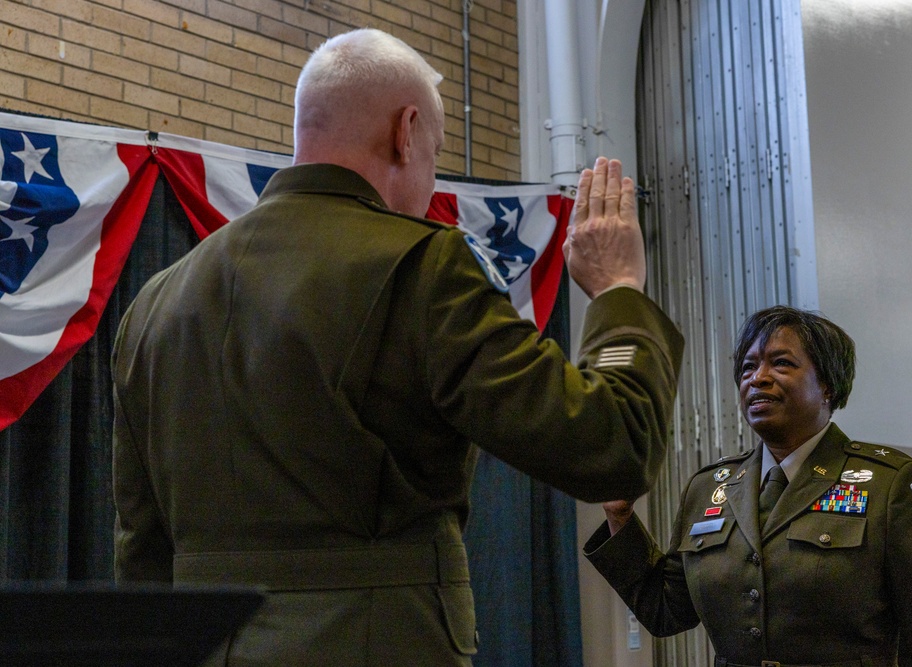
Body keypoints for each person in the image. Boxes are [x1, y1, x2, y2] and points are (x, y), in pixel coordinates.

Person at [111, 28, 685, 667]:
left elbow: (142, 552)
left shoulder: (153, 306)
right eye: (435, 153)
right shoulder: (421, 264)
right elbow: (612, 447)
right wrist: (617, 292)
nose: (430, 178)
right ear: (406, 130)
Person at [585, 305, 912, 666]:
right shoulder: (707, 488)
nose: (758, 377)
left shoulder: (890, 484)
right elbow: (666, 611)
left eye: (781, 363)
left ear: (828, 386)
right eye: (748, 367)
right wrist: (619, 514)